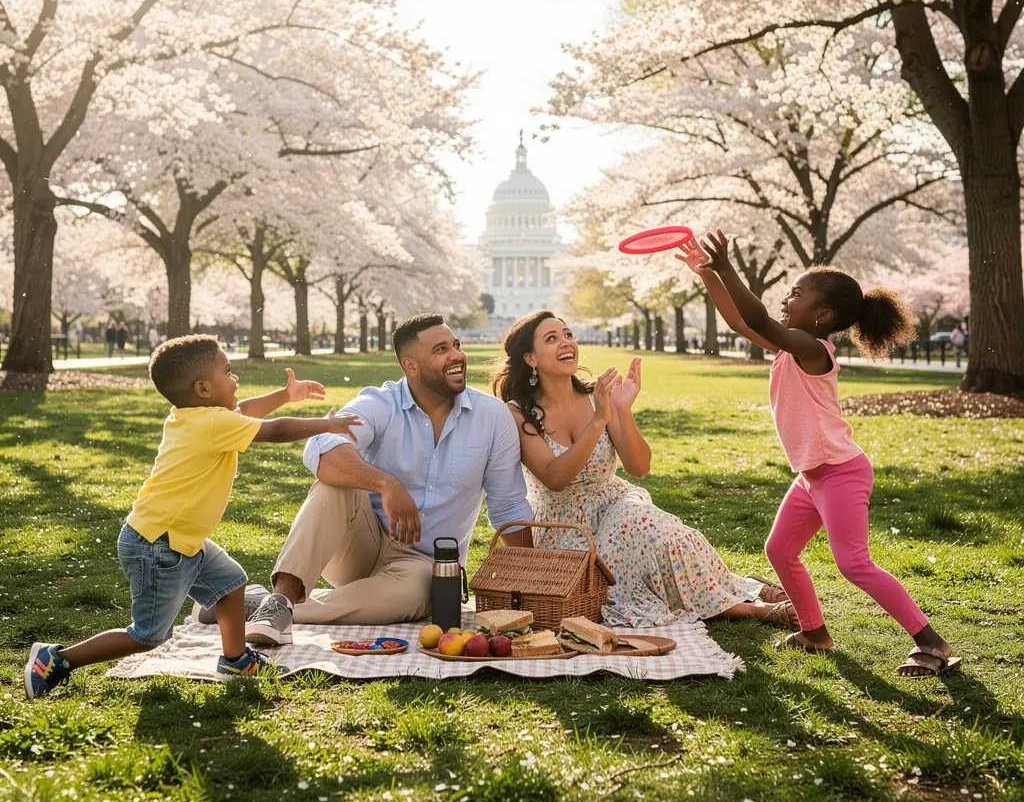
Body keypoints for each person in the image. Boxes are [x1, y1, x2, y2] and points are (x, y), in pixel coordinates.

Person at [681, 230, 961, 678]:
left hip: (841, 472)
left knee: (854, 564)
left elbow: (756, 316)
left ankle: (933, 643)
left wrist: (727, 268)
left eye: (795, 293)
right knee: (780, 550)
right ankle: (815, 632)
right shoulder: (792, 345)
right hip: (813, 475)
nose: (785, 299)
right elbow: (740, 322)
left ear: (822, 315)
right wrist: (707, 273)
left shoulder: (813, 351)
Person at [23, 338, 360, 697]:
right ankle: (56, 659)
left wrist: (283, 395)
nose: (236, 379)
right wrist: (326, 425)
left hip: (180, 537)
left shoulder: (195, 417)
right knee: (149, 635)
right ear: (202, 389)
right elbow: (274, 431)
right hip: (159, 545)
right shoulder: (211, 424)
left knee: (230, 584)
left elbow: (243, 409)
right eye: (228, 372)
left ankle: (235, 659)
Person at [493, 310, 797, 630]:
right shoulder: (518, 414)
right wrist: (599, 422)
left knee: (663, 529)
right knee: (610, 588)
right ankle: (742, 597)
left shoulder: (599, 397)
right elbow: (555, 478)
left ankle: (743, 603)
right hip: (565, 529)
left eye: (568, 334)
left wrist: (622, 411)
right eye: (551, 339)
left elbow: (639, 467)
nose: (566, 343)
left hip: (617, 504)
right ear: (530, 357)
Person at [244, 314, 533, 645]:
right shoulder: (380, 402)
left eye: (456, 345)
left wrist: (532, 577)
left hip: (421, 567)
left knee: (415, 592)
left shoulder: (492, 417)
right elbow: (323, 446)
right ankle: (281, 598)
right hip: (358, 546)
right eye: (441, 349)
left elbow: (507, 503)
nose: (456, 356)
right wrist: (385, 483)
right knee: (334, 484)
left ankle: (262, 608)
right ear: (411, 365)